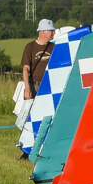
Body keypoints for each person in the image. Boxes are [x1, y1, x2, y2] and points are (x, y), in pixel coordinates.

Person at [15, 19, 55, 157]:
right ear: (43, 31)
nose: (53, 33)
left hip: (49, 87)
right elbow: (25, 69)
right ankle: (26, 151)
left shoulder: (54, 47)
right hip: (35, 86)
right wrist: (27, 88)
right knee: (30, 118)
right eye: (51, 31)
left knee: (48, 117)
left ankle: (43, 147)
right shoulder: (30, 47)